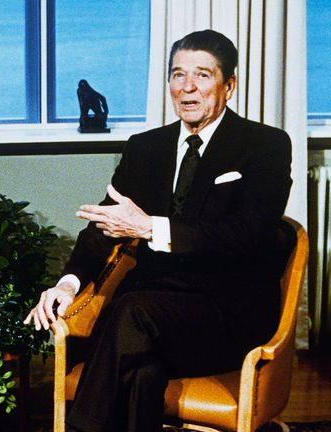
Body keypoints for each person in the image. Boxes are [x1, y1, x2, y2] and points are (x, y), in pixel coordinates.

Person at [24, 29, 292, 432]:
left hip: (225, 315)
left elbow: (247, 234)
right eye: (177, 75)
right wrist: (68, 282)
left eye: (202, 75)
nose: (187, 88)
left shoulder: (265, 145)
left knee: (132, 313)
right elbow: (105, 227)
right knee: (140, 374)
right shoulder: (145, 148)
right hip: (150, 317)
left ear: (229, 85)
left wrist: (150, 227)